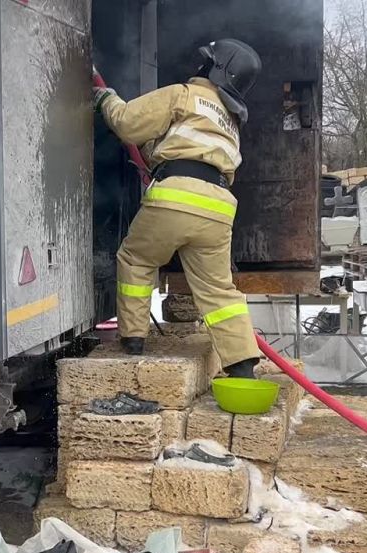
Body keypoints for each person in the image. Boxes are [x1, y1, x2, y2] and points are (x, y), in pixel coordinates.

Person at [93, 39, 263, 379]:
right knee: (218, 289)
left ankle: (133, 338)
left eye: (206, 62)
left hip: (176, 197)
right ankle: (242, 365)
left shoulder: (184, 95)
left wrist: (105, 99)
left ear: (214, 69)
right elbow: (190, 150)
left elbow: (127, 123)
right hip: (218, 208)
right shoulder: (230, 121)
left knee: (137, 259)